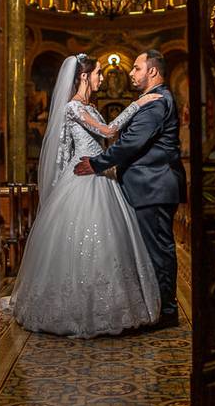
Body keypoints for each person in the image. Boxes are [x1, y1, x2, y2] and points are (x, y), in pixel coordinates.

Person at [9, 54, 163, 338]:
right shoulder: (72, 108)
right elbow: (107, 131)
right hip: (83, 176)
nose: (102, 78)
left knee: (109, 242)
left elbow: (105, 140)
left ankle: (111, 307)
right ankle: (76, 309)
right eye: (98, 73)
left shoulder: (90, 106)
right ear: (83, 76)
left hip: (101, 175)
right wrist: (136, 104)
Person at [74, 49, 186, 327]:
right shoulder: (151, 101)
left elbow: (131, 143)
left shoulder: (157, 103)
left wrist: (98, 163)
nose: (131, 73)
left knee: (158, 250)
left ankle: (167, 311)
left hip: (154, 185)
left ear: (152, 71)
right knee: (150, 250)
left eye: (136, 68)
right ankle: (156, 306)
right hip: (149, 185)